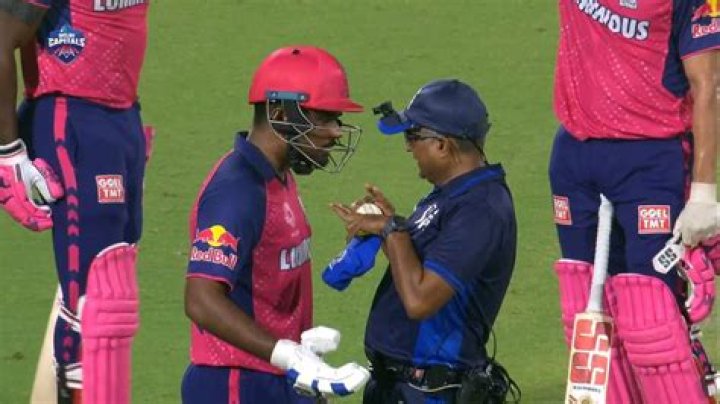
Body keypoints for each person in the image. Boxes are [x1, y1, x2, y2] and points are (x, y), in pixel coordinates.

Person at [550, 1, 719, 403]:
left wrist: (703, 192)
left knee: (652, 315)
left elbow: (708, 85)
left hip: (650, 159)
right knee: (585, 312)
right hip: (575, 156)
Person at [181, 46, 370, 404]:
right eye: (325, 118)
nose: (335, 132)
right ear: (280, 113)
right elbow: (201, 300)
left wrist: (300, 355)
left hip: (276, 379)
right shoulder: (236, 191)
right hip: (236, 384)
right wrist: (289, 355)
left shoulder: (277, 177)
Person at [329, 79, 520, 404]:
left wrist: (391, 229)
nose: (407, 147)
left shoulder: (481, 210)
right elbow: (419, 266)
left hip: (431, 391)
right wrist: (387, 227)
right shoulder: (452, 195)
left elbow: (420, 300)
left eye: (412, 136)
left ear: (442, 145)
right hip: (401, 386)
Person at [0, 1, 151, 403]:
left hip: (122, 117)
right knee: (91, 301)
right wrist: (9, 153)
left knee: (114, 287)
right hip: (71, 116)